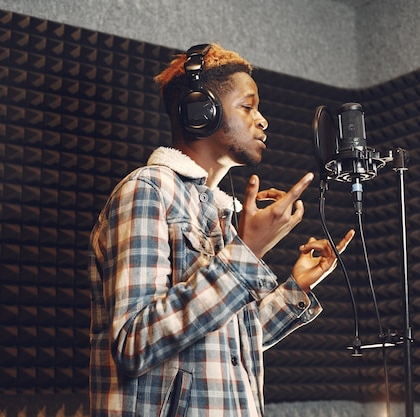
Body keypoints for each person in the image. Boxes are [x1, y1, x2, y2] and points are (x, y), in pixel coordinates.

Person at [88, 43, 354, 417]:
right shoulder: (147, 191)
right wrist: (246, 254)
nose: (262, 120)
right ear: (202, 112)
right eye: (248, 106)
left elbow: (225, 344)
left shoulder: (221, 213)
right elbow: (135, 343)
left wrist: (296, 289)